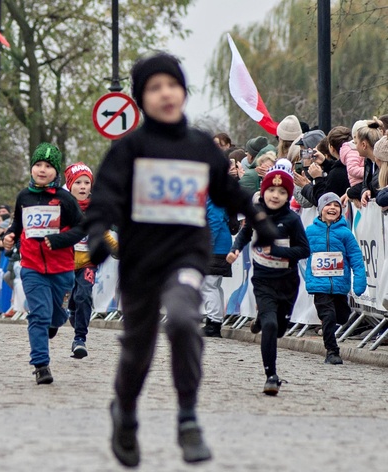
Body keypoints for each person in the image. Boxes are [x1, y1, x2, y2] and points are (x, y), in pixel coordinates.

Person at [83, 53, 279, 467]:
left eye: (171, 85)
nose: (165, 93)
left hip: (186, 258)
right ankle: (126, 413)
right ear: (141, 99)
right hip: (140, 262)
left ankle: (188, 418)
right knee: (139, 346)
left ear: (182, 92)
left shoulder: (198, 147)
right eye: (154, 87)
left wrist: (260, 221)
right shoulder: (129, 149)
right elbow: (104, 198)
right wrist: (98, 236)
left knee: (185, 320)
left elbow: (230, 194)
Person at [1, 142, 84, 382]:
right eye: (37, 164)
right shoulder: (24, 196)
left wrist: (59, 240)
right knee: (38, 315)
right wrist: (10, 236)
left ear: (56, 172)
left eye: (48, 166)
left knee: (56, 315)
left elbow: (81, 227)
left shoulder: (65, 200)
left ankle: (55, 320)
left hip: (62, 268)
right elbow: (18, 224)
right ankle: (41, 365)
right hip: (32, 267)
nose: (42, 169)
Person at [228, 159, 308, 395]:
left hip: (287, 282)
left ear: (287, 195)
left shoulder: (292, 221)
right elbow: (245, 234)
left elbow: (304, 250)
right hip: (262, 280)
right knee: (271, 326)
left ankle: (263, 318)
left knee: (279, 328)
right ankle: (271, 375)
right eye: (271, 190)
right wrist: (235, 250)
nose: (275, 195)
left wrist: (279, 252)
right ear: (264, 192)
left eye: (282, 192)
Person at [304, 193, 366, 365]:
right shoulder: (310, 231)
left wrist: (359, 281)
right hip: (319, 284)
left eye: (336, 205)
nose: (332, 208)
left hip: (340, 285)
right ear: (320, 209)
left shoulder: (345, 233)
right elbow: (299, 250)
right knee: (329, 315)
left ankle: (331, 325)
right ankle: (332, 351)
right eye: (328, 205)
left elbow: (356, 258)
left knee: (342, 316)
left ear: (341, 210)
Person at [64, 162, 98, 358]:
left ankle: (80, 339)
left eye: (87, 182)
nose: (83, 186)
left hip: (88, 262)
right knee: (73, 301)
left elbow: (103, 231)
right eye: (78, 182)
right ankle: (72, 313)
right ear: (70, 185)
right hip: (65, 262)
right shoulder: (63, 207)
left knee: (83, 295)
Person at [200, 198, 236, 338]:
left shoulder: (212, 196)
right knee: (214, 285)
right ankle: (214, 321)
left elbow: (214, 221)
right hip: (221, 245)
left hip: (216, 246)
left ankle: (213, 323)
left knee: (208, 284)